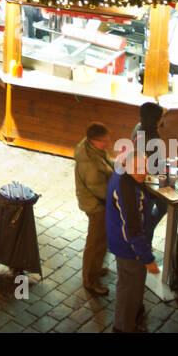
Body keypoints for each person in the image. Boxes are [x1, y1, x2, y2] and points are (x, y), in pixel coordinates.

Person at [107, 148, 161, 332]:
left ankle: (134, 315)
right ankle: (123, 327)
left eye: (144, 166)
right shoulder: (126, 189)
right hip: (129, 249)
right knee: (129, 288)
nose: (141, 171)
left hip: (123, 243)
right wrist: (147, 258)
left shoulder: (124, 175)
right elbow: (133, 229)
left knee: (129, 284)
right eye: (136, 167)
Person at [74, 122, 116, 295]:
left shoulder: (92, 148)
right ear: (93, 140)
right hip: (96, 205)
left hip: (98, 202)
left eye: (108, 139)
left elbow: (106, 160)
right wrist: (117, 199)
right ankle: (90, 280)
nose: (107, 143)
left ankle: (96, 269)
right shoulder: (90, 164)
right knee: (96, 242)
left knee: (101, 240)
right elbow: (100, 190)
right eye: (103, 141)